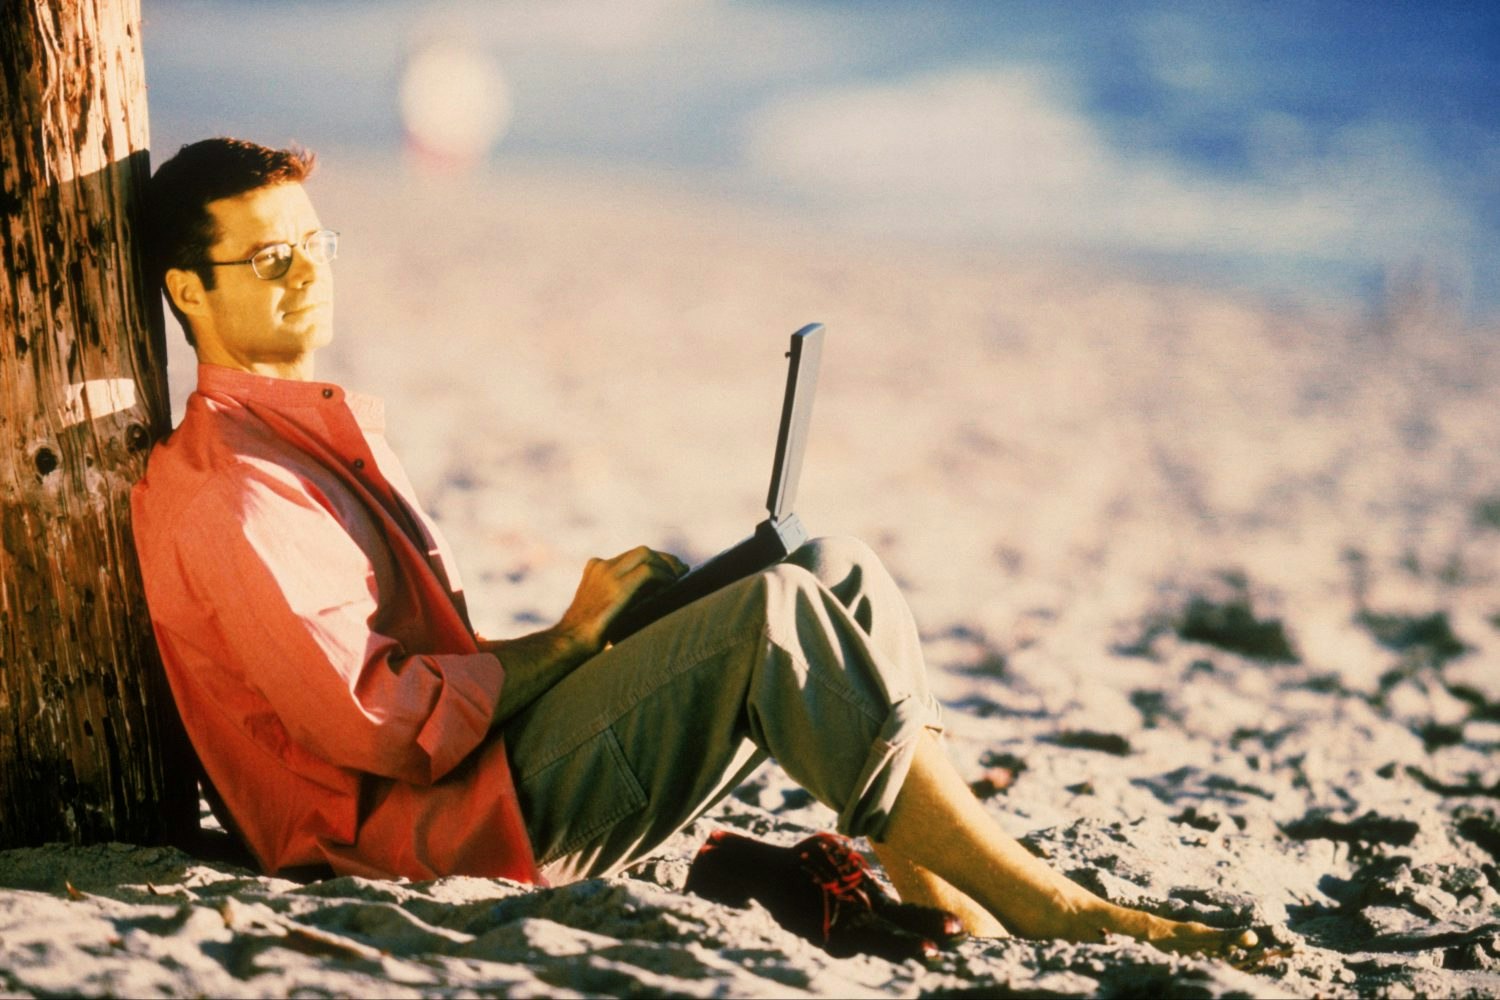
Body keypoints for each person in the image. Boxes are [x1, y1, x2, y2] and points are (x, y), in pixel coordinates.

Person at [131, 137, 1256, 955]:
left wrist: (574, 643)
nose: (308, 269)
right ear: (188, 289)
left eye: (314, 242)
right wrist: (572, 641)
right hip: (428, 835)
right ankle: (1053, 904)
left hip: (475, 777)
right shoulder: (238, 488)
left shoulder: (298, 436)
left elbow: (419, 683)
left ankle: (936, 879)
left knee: (827, 567)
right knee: (771, 620)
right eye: (268, 258)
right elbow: (382, 727)